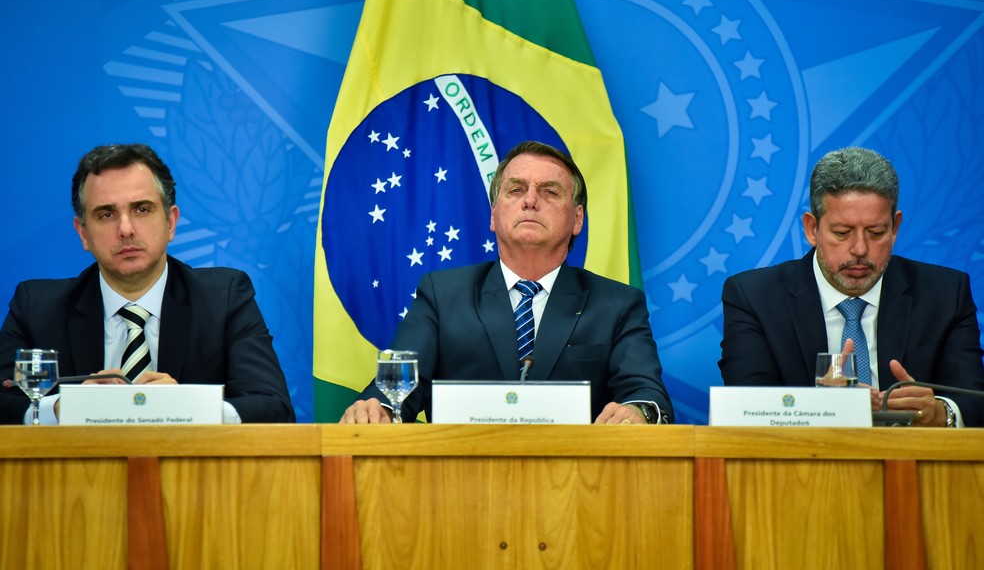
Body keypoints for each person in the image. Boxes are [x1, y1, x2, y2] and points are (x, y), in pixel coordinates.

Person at [341, 140, 673, 425]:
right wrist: (378, 409)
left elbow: (645, 394)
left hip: (577, 486)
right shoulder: (441, 295)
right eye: (516, 190)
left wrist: (639, 411)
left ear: (577, 219)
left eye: (550, 191)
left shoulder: (617, 304)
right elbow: (394, 389)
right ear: (493, 215)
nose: (530, 200)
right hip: (456, 481)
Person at [0, 143, 295, 424]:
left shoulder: (224, 297)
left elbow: (273, 407)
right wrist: (65, 408)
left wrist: (187, 407)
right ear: (83, 233)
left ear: (170, 222)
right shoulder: (37, 307)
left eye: (142, 209)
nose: (126, 229)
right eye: (106, 214)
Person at [719, 146, 984, 427]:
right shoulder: (754, 297)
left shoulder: (944, 294)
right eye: (842, 233)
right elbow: (746, 405)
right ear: (812, 229)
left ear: (895, 227)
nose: (859, 249)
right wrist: (820, 409)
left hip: (911, 463)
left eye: (876, 232)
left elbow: (973, 398)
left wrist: (942, 412)